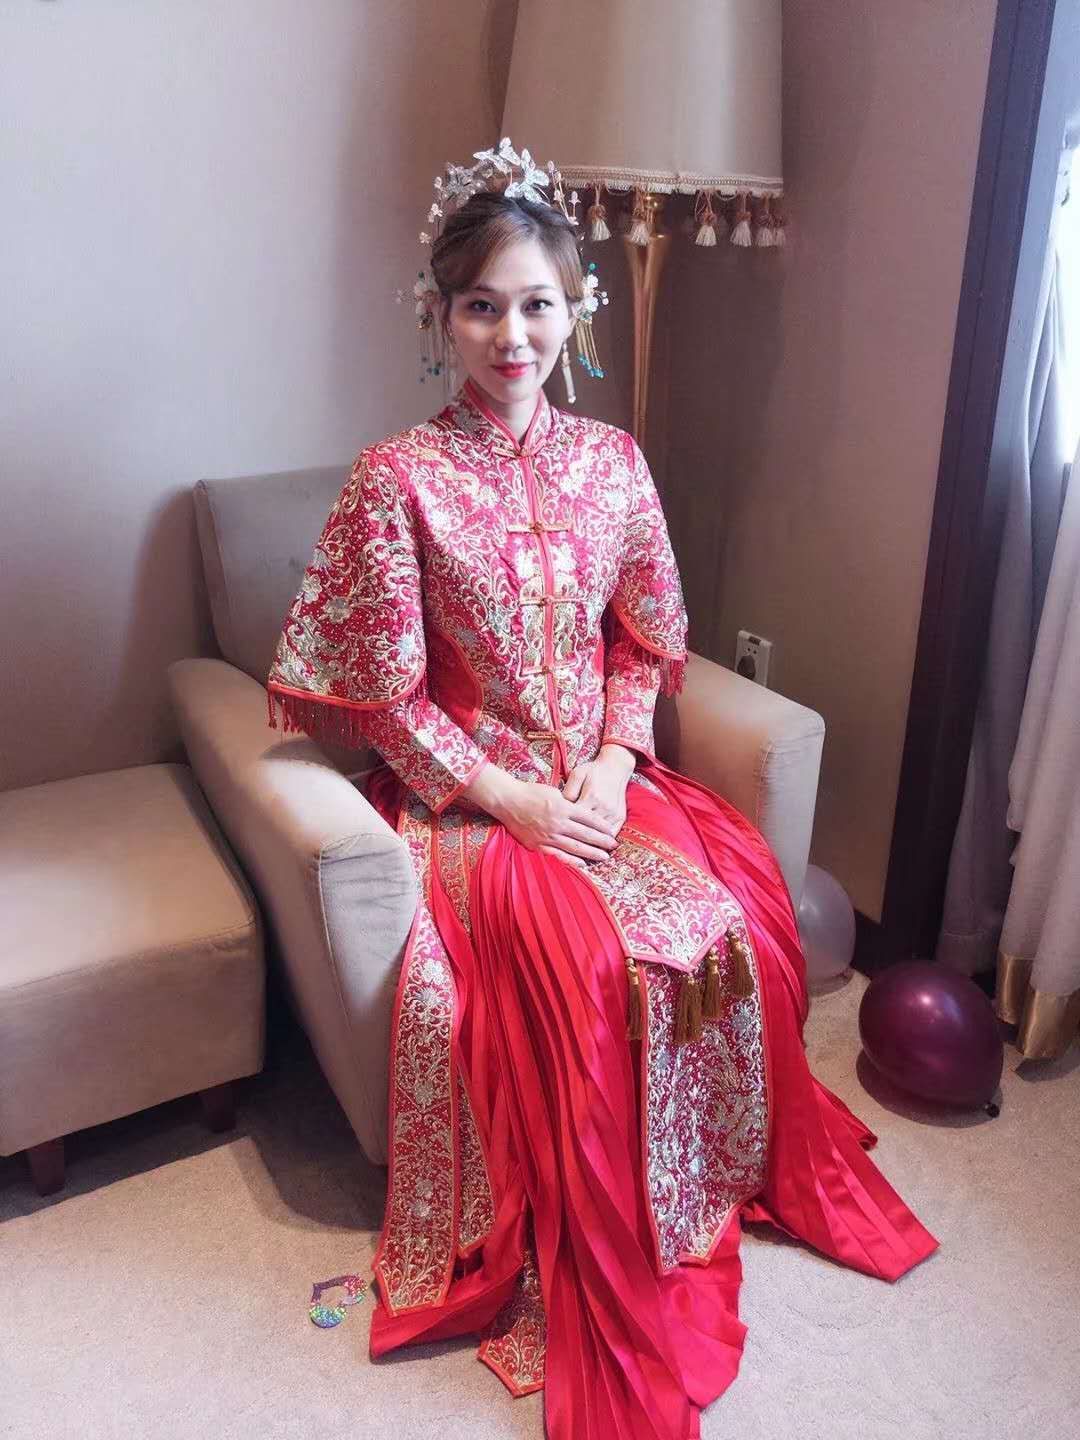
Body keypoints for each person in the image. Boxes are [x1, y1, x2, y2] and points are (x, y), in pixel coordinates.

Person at [267, 141, 938, 1440]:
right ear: (439, 317)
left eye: (537, 304)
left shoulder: (617, 463)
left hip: (602, 778)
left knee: (738, 919)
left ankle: (700, 1186)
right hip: (472, 803)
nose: (511, 334)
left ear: (575, 309)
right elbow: (383, 701)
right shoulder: (394, 480)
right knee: (581, 969)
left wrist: (622, 762)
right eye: (481, 305)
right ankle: (611, 1228)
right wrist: (508, 801)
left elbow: (644, 642)